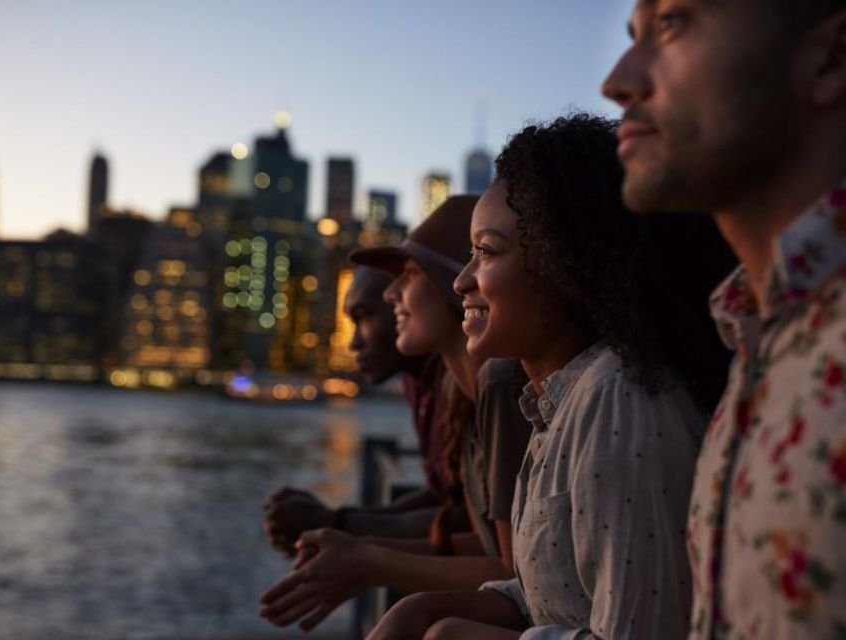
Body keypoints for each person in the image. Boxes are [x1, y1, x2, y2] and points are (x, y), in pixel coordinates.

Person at [366, 114, 735, 640]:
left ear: (565, 267)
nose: (463, 280)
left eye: (487, 253)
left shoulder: (619, 403)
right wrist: (427, 609)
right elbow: (560, 593)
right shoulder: (557, 405)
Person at [602, 2, 846, 637]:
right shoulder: (754, 335)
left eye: (673, 22)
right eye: (633, 35)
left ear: (831, 57)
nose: (617, 80)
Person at [259, 196, 530, 633]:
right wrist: (356, 544)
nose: (391, 294)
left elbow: (513, 570)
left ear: (455, 282)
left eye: (407, 274)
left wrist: (366, 558)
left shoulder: (501, 388)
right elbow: (481, 542)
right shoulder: (461, 394)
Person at [263, 266, 451, 554]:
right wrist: (333, 523)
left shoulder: (467, 385)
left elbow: (473, 522)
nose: (354, 342)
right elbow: (444, 496)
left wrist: (337, 523)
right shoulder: (418, 384)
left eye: (364, 316)